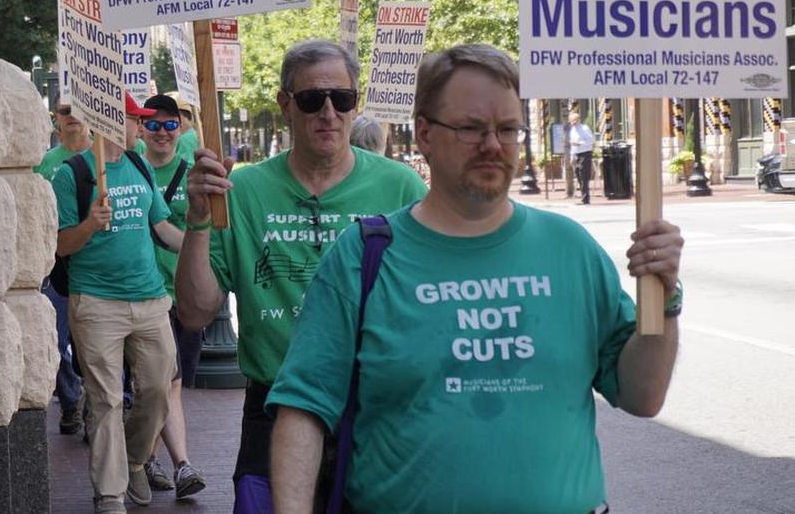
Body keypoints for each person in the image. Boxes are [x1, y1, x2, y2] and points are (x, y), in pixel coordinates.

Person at [267, 44, 683, 514]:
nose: (492, 145)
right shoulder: (365, 255)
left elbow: (643, 395)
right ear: (424, 133)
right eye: (470, 128)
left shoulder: (571, 249)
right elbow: (303, 409)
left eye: (508, 129)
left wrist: (664, 299)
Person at [174, 39, 428, 506]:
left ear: (356, 104)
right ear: (286, 106)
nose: (329, 113)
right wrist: (198, 218)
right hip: (274, 405)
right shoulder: (241, 190)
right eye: (313, 100)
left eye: (343, 99)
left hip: (374, 409)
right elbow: (194, 313)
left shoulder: (402, 188)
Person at [53, 93, 186, 514]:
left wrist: (206, 246)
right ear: (112, 120)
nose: (144, 128)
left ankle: (133, 459)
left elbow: (161, 225)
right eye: (137, 120)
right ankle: (109, 493)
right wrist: (91, 223)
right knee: (106, 399)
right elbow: (59, 246)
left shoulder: (140, 164)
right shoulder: (72, 174)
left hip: (150, 301)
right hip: (96, 303)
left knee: (157, 391)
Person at [138, 94, 208, 499]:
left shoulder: (191, 172)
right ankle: (181, 464)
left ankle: (143, 458)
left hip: (186, 295)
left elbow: (200, 233)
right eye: (153, 125)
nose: (162, 132)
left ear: (180, 129)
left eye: (170, 125)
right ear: (142, 128)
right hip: (148, 296)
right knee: (168, 382)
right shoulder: (133, 170)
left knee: (170, 385)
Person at [34, 102, 91, 435]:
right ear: (55, 118)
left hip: (95, 261)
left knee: (95, 341)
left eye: (77, 108)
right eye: (64, 109)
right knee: (55, 339)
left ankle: (103, 405)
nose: (71, 115)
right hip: (56, 265)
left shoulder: (102, 158)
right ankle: (71, 401)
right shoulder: (43, 164)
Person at [569, 111, 595, 204]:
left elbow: (590, 140)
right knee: (578, 174)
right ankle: (583, 196)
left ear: (579, 120)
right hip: (576, 154)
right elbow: (572, 145)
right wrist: (572, 157)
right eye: (571, 121)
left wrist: (579, 143)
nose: (573, 123)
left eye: (575, 121)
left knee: (584, 175)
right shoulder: (572, 130)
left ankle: (586, 198)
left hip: (585, 153)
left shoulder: (584, 129)